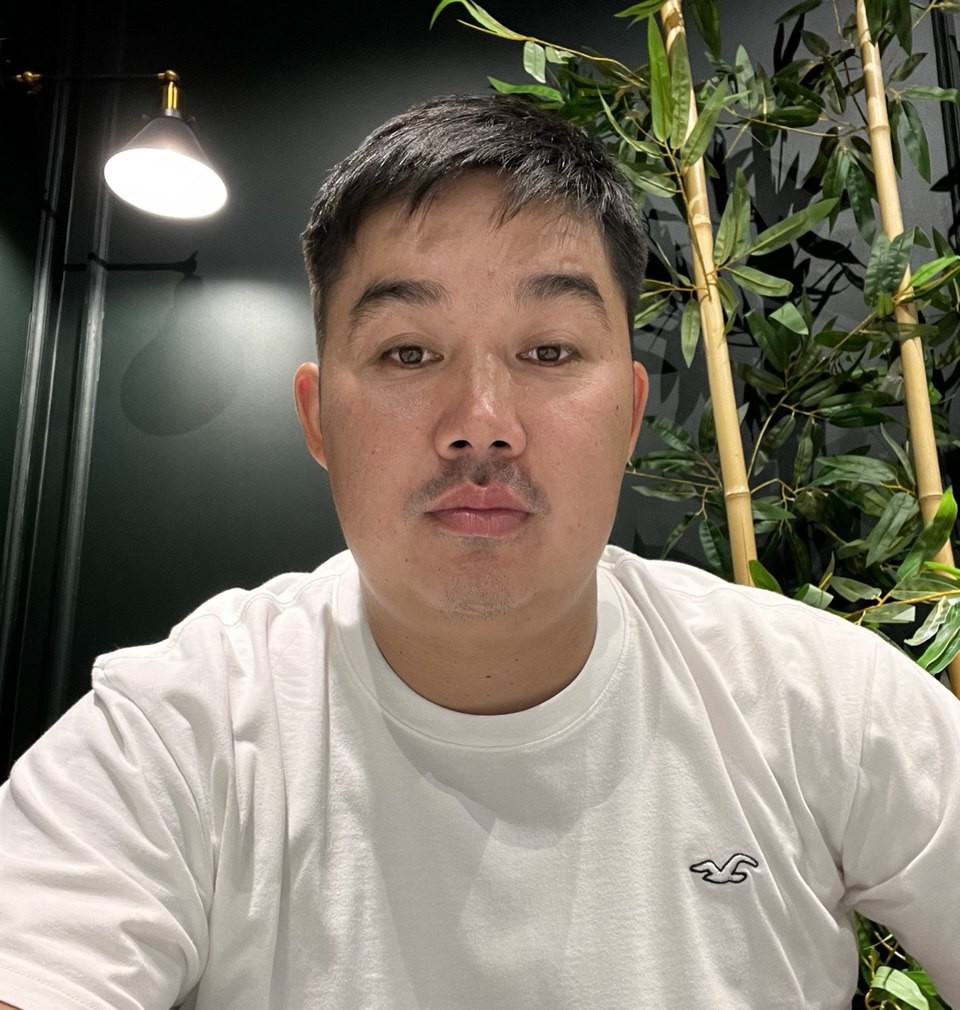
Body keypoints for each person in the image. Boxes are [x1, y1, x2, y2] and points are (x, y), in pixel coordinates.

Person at [0, 93, 959, 1010]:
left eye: (549, 352)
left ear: (628, 415)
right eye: (408, 353)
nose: (482, 422)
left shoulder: (817, 701)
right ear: (318, 417)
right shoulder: (180, 732)